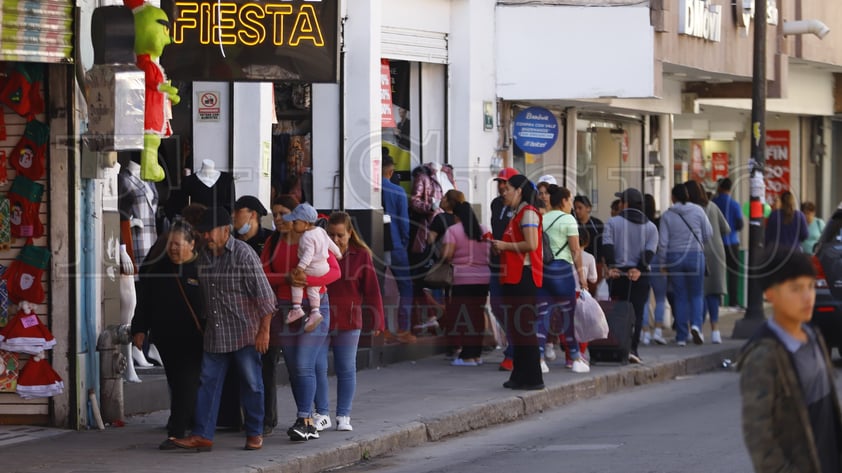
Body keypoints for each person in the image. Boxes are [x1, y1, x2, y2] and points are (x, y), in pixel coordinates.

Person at [172, 207, 276, 452]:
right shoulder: (205, 256)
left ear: (225, 230)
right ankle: (202, 435)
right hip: (216, 334)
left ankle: (254, 432)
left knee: (251, 384)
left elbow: (265, 297)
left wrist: (264, 331)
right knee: (207, 382)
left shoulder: (243, 254)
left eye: (209, 231)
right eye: (203, 232)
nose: (205, 236)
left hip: (245, 332)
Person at [737, 249, 842, 473]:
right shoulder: (763, 355)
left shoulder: (813, 335)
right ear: (770, 294)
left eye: (811, 287)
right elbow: (758, 435)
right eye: (795, 289)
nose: (807, 297)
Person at [261, 198, 340, 442]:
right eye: (275, 214)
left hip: (316, 307)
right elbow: (262, 272)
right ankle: (305, 420)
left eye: (283, 213)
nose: (279, 219)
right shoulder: (274, 241)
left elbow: (335, 272)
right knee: (296, 367)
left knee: (305, 364)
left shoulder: (314, 237)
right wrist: (287, 278)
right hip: (286, 308)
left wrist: (306, 281)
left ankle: (305, 419)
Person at [131, 221, 203, 450]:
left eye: (177, 244)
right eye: (170, 244)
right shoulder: (159, 268)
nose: (172, 248)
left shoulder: (202, 269)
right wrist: (139, 329)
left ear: (191, 245)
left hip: (194, 340)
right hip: (165, 339)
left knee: (186, 382)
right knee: (177, 381)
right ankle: (189, 421)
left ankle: (177, 431)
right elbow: (145, 302)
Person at [313, 212, 386, 432]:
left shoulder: (361, 255)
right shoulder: (320, 253)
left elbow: (372, 290)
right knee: (318, 366)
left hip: (349, 319)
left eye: (340, 235)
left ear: (350, 234)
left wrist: (378, 320)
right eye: (331, 235)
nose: (335, 240)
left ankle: (343, 415)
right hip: (321, 317)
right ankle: (322, 413)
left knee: (346, 368)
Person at [490, 174, 544, 390]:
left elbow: (531, 244)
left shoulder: (528, 213)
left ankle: (532, 377)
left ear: (519, 191)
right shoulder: (517, 214)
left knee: (523, 327)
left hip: (524, 276)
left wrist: (504, 246)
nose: (505, 193)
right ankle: (520, 375)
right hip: (513, 276)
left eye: (508, 189)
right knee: (516, 327)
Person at [603, 188, 659, 363]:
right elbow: (650, 252)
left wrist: (612, 266)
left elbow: (607, 246)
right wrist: (639, 268)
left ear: (625, 204)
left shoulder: (612, 223)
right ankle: (633, 348)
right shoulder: (651, 227)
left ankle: (616, 347)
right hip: (639, 276)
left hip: (617, 274)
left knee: (617, 311)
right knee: (637, 312)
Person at [540, 185, 588, 373]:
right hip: (562, 270)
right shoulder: (568, 219)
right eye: (570, 200)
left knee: (542, 315)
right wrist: (582, 278)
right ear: (563, 201)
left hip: (544, 270)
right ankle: (575, 357)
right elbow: (575, 250)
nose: (571, 205)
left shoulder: (542, 219)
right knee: (568, 315)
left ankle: (539, 358)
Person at [659, 183, 712, 346]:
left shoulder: (667, 215)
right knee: (696, 294)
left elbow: (663, 242)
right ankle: (696, 326)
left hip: (674, 257)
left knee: (680, 296)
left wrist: (662, 262)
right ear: (688, 195)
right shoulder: (698, 211)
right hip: (695, 255)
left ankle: (681, 336)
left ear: (673, 197)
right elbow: (708, 233)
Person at [440, 201, 491, 366]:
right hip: (483, 279)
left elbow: (447, 255)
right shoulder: (484, 230)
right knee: (477, 316)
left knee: (464, 317)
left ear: (456, 217)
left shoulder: (453, 231)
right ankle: (476, 354)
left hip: (462, 279)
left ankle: (467, 356)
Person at [283, 203, 343, 331]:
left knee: (296, 283)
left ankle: (297, 308)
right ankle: (315, 312)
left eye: (295, 222)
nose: (292, 225)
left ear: (305, 223)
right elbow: (330, 244)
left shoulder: (306, 237)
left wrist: (300, 268)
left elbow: (308, 254)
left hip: (313, 267)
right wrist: (338, 253)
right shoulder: (321, 230)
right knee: (313, 290)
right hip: (324, 266)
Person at [686, 180, 730, 345]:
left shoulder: (689, 210)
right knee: (713, 293)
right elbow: (726, 229)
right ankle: (716, 331)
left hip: (697, 252)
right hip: (717, 253)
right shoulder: (712, 207)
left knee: (698, 293)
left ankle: (697, 328)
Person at [380, 153, 416, 344]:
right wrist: (404, 242)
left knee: (378, 286)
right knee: (406, 286)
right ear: (391, 172)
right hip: (395, 245)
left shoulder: (369, 190)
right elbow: (404, 222)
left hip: (374, 244)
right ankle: (403, 329)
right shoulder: (398, 191)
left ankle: (382, 328)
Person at [490, 168, 518, 372]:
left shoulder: (522, 207)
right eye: (499, 182)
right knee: (497, 305)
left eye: (505, 183)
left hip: (514, 261)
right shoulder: (496, 204)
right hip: (497, 261)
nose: (501, 186)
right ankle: (512, 343)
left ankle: (513, 352)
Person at [712, 177, 744, 307]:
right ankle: (733, 301)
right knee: (733, 273)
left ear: (720, 188)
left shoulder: (713, 203)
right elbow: (740, 224)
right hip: (732, 242)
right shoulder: (734, 204)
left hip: (716, 243)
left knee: (717, 273)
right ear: (730, 189)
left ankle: (717, 301)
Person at [641, 193, 667, 346]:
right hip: (657, 259)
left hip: (643, 260)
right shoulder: (659, 222)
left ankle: (644, 332)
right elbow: (663, 243)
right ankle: (658, 330)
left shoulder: (639, 223)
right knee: (660, 298)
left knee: (644, 299)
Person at [573, 195, 605, 295]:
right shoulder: (573, 224)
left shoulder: (597, 224)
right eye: (575, 208)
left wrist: (604, 265)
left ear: (588, 208)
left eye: (580, 208)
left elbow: (602, 245)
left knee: (592, 292)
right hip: (576, 262)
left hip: (595, 262)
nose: (577, 211)